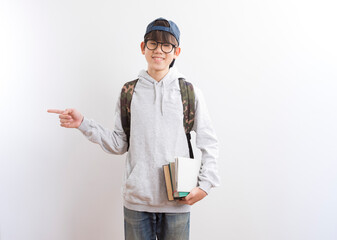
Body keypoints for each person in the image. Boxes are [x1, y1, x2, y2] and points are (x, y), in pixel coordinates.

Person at [48, 17, 220, 240]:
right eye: (153, 43)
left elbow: (208, 141)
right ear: (143, 47)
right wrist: (83, 124)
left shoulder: (189, 92)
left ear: (176, 52)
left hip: (178, 202)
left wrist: (205, 185)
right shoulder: (129, 91)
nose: (159, 50)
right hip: (137, 204)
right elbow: (119, 144)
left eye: (167, 45)